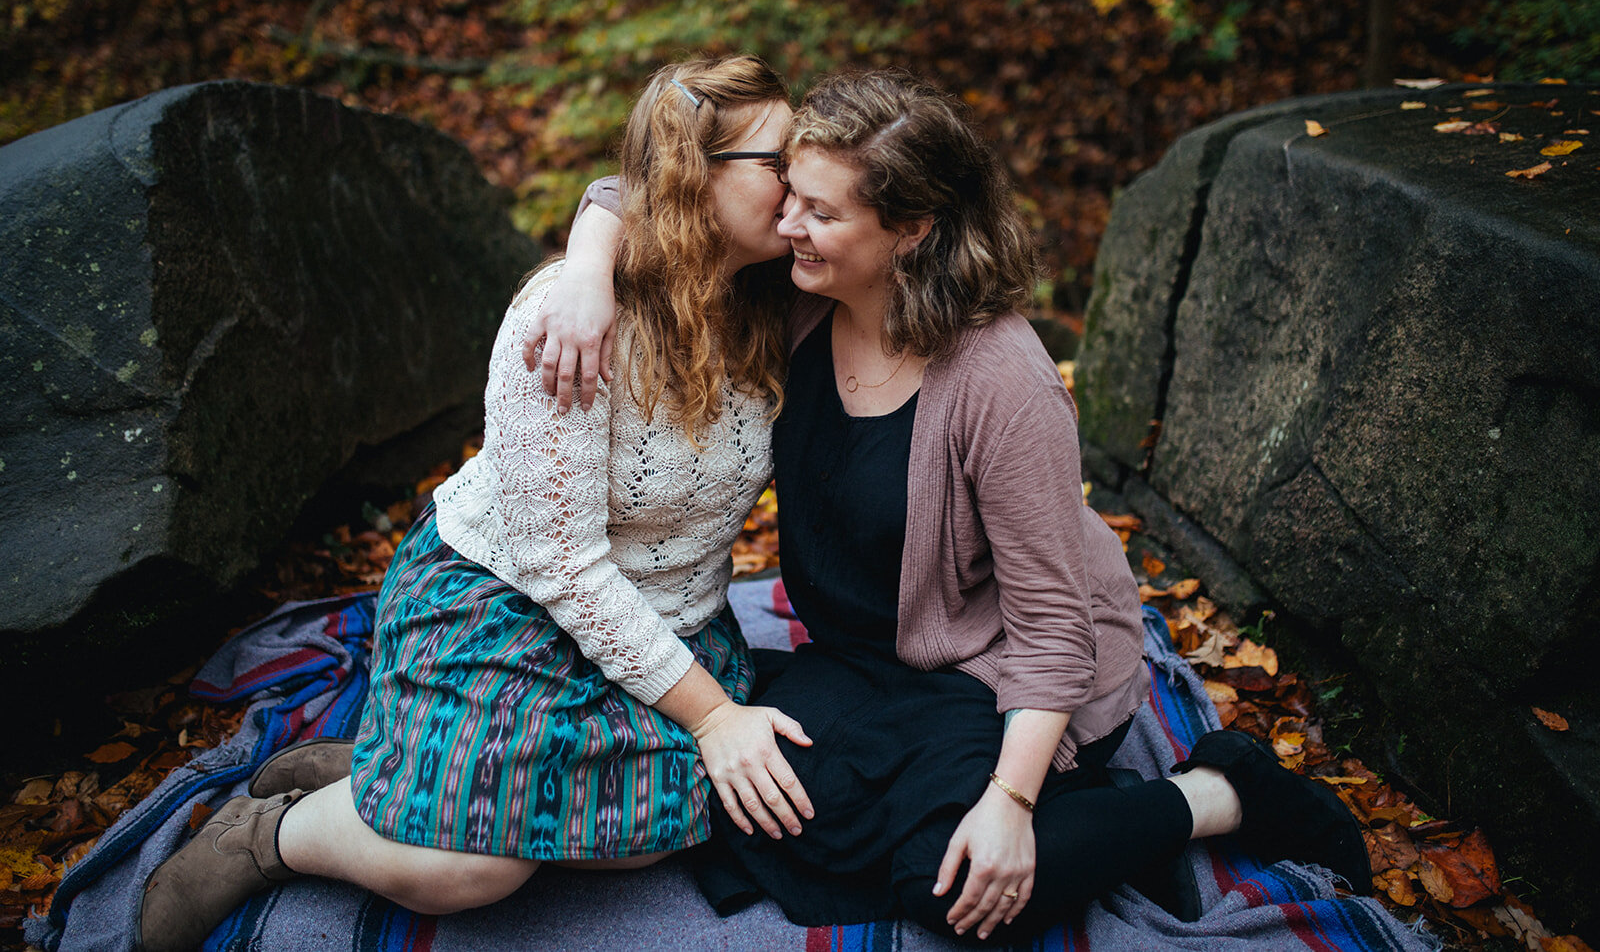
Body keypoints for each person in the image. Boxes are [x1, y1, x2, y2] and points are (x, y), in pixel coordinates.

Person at [530, 68, 1371, 942]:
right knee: (736, 792)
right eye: (789, 199)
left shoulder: (1003, 380)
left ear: (912, 229)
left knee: (956, 887)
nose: (788, 226)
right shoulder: (800, 295)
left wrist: (1010, 800)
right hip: (863, 656)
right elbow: (637, 191)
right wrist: (587, 272)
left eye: (820, 212)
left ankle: (1215, 793)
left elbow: (1054, 626)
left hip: (991, 667)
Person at [136, 56, 823, 952]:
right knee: (468, 869)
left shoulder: (784, 299)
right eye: (781, 160)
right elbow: (562, 566)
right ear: (699, 175)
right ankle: (268, 836)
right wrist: (713, 715)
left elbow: (623, 192)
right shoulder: (573, 318)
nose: (803, 175)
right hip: (510, 598)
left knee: (645, 835)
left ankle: (398, 770)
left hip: (666, 615)